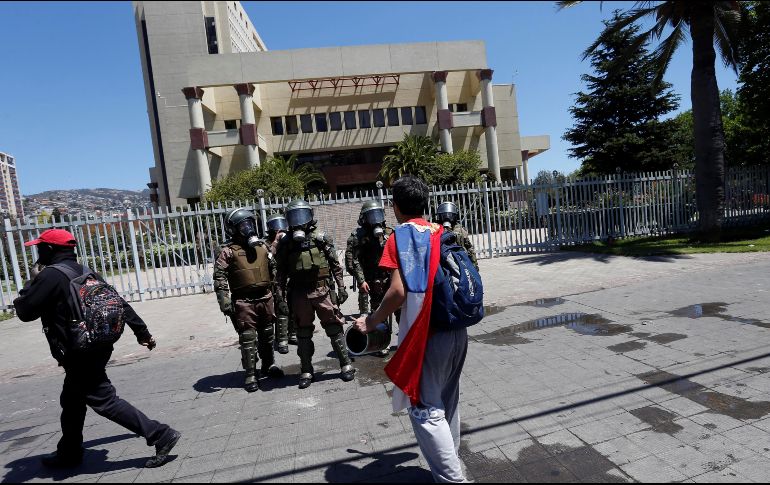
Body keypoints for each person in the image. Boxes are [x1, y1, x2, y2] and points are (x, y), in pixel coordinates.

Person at [12, 229, 180, 470]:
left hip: (79, 350)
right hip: (97, 345)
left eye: (40, 247)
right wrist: (141, 332)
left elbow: (24, 312)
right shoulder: (84, 271)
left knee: (104, 400)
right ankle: (69, 452)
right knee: (71, 400)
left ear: (49, 249)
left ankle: (160, 434)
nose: (37, 252)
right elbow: (120, 302)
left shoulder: (50, 276)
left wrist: (32, 281)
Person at [354, 176, 468, 483]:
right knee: (448, 400)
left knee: (426, 409)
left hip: (427, 332)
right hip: (457, 328)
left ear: (395, 206)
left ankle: (453, 479)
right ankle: (451, 464)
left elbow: (398, 292)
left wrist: (371, 321)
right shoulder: (441, 231)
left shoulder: (400, 237)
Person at [274, 199, 356, 389]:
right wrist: (280, 298)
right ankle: (306, 370)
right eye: (294, 217)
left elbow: (336, 265)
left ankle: (345, 364)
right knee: (303, 334)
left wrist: (342, 287)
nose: (299, 221)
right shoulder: (286, 243)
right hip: (299, 293)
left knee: (334, 327)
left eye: (302, 216)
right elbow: (279, 274)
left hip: (322, 290)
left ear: (310, 217)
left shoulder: (321, 238)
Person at [214, 208, 284, 392]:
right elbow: (219, 278)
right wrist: (225, 302)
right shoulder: (228, 252)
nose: (248, 228)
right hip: (244, 302)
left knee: (268, 335)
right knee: (248, 338)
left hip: (265, 298)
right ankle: (251, 373)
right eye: (243, 225)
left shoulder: (262, 246)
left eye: (250, 224)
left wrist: (278, 295)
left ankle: (269, 365)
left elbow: (273, 269)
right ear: (233, 229)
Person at [345, 200, 395, 356]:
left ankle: (407, 341)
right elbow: (353, 261)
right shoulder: (358, 236)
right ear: (364, 218)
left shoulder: (390, 233)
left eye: (378, 215)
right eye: (371, 216)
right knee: (378, 312)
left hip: (390, 279)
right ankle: (382, 342)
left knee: (400, 310)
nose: (375, 220)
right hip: (371, 281)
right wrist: (361, 280)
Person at [265, 213, 293, 354]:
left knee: (293, 305)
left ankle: (292, 334)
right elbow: (268, 257)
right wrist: (275, 242)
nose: (280, 231)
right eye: (276, 228)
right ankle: (282, 339)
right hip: (276, 280)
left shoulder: (289, 240)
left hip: (290, 277)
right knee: (281, 306)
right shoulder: (266, 243)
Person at [434, 201, 479, 270]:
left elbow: (469, 248)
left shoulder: (460, 230)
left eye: (449, 215)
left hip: (460, 260)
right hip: (442, 262)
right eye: (444, 215)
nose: (447, 217)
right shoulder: (435, 229)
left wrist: (474, 265)